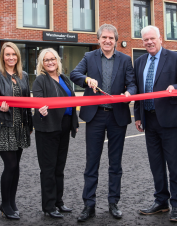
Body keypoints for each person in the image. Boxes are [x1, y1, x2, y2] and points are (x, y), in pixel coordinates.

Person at [70, 24, 137, 222]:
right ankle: (88, 205)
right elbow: (75, 74)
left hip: (117, 116)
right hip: (95, 116)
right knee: (92, 162)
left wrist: (129, 92)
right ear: (98, 39)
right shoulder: (89, 57)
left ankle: (113, 203)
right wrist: (87, 80)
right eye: (104, 37)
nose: (107, 41)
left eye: (111, 38)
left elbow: (132, 84)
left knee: (115, 163)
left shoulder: (125, 59)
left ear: (116, 40)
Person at [134, 25, 177, 222]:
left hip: (171, 120)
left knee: (174, 165)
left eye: (152, 38)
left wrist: (175, 86)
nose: (149, 42)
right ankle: (161, 201)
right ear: (142, 42)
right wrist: (138, 116)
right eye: (145, 40)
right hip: (149, 120)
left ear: (160, 39)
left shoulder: (174, 58)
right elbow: (138, 90)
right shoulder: (140, 61)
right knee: (156, 164)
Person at [32, 48, 79, 219]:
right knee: (48, 169)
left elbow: (72, 101)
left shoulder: (63, 78)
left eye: (52, 59)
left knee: (59, 167)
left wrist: (74, 123)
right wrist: (41, 109)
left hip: (64, 126)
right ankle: (49, 205)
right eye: (46, 60)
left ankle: (58, 201)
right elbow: (38, 102)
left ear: (57, 60)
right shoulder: (40, 80)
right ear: (42, 63)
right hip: (48, 127)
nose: (50, 62)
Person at [0, 42, 33, 220]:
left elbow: (27, 102)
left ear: (18, 57)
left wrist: (29, 124)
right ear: (3, 57)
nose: (11, 57)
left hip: (20, 126)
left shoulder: (24, 75)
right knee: (11, 165)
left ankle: (11, 202)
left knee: (16, 167)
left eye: (13, 54)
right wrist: (0, 106)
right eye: (7, 54)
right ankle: (5, 204)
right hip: (4, 125)